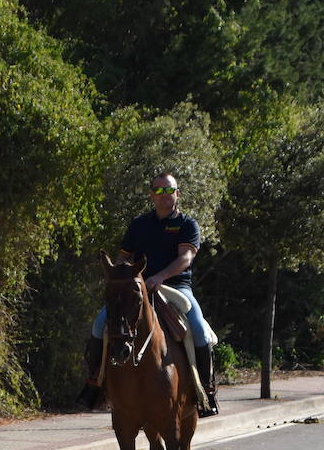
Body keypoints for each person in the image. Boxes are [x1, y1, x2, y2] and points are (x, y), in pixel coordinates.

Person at [77, 172, 218, 417]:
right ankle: (94, 385)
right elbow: (124, 256)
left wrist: (160, 277)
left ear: (177, 194)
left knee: (198, 329)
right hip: (137, 288)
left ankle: (206, 391)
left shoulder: (187, 225)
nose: (165, 195)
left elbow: (186, 257)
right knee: (100, 325)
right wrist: (120, 272)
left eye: (169, 190)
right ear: (152, 195)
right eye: (159, 190)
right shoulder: (139, 224)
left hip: (176, 287)